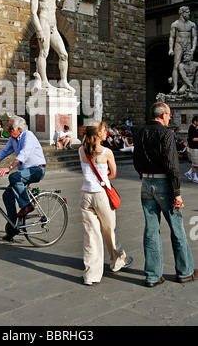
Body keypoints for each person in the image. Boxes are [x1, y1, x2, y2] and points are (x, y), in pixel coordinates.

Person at [133, 101, 197, 287]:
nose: (169, 118)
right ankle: (185, 271)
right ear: (162, 115)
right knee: (177, 228)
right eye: (168, 114)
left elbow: (136, 160)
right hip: (164, 184)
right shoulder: (165, 134)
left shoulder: (140, 133)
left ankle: (153, 275)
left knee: (151, 229)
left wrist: (144, 176)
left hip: (146, 182)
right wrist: (177, 193)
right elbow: (172, 165)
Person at [79, 120, 133, 286]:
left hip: (85, 195)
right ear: (99, 134)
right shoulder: (107, 152)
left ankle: (91, 275)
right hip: (101, 195)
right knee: (110, 231)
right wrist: (104, 175)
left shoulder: (81, 150)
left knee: (91, 235)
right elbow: (114, 174)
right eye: (104, 130)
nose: (107, 132)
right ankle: (117, 261)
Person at [0, 115, 46, 241]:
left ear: (19, 129)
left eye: (11, 129)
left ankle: (27, 205)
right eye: (8, 128)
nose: (8, 131)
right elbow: (3, 152)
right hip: (25, 172)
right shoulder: (13, 139)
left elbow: (23, 154)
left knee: (14, 176)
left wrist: (9, 168)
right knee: (7, 195)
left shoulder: (28, 136)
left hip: (37, 169)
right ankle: (14, 227)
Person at [30, 0, 74, 92]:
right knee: (44, 52)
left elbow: (59, 6)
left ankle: (64, 82)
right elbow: (33, 12)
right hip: (43, 24)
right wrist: (38, 30)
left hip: (53, 26)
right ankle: (44, 81)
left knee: (64, 54)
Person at [168, 6, 197, 93]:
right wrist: (170, 49)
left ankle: (187, 86)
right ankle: (175, 87)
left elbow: (194, 37)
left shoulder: (192, 24)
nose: (189, 14)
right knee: (176, 66)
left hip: (188, 45)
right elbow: (172, 37)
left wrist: (193, 48)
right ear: (182, 13)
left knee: (188, 64)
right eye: (187, 12)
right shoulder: (175, 24)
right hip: (179, 45)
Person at [184, 115, 198, 183]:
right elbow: (193, 139)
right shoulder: (192, 128)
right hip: (194, 147)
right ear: (195, 121)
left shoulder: (195, 128)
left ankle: (189, 173)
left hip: (196, 147)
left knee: (196, 162)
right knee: (195, 163)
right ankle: (194, 177)